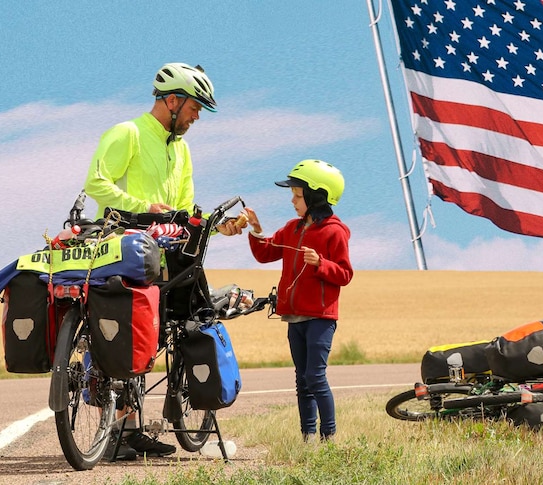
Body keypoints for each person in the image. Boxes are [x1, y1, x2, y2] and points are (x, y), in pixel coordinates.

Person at [83, 62, 241, 461]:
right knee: (125, 331)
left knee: (158, 330)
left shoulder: (183, 150)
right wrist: (144, 208)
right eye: (193, 106)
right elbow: (95, 184)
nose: (197, 115)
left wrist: (219, 228)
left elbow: (185, 211)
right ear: (171, 100)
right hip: (120, 247)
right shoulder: (129, 133)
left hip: (163, 255)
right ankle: (118, 422)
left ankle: (132, 425)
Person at [242, 159, 353, 442]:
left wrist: (321, 264)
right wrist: (256, 229)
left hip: (320, 318)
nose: (292, 200)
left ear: (317, 196)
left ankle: (329, 438)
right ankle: (307, 437)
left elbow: (344, 274)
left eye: (297, 195)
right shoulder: (293, 228)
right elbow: (265, 253)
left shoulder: (334, 232)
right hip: (295, 318)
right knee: (302, 381)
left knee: (315, 377)